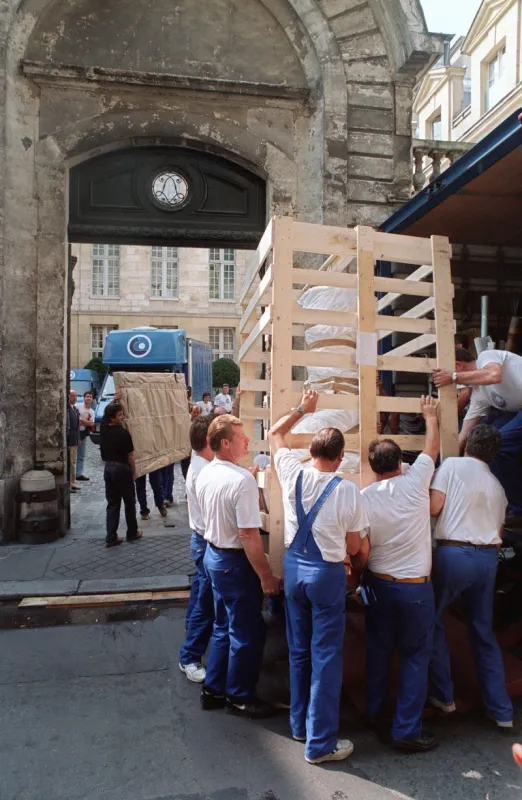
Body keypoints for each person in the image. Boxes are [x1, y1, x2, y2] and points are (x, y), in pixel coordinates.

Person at [268, 389, 369, 765]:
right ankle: (320, 743)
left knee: (299, 650)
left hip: (294, 568)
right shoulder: (348, 491)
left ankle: (299, 726)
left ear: (310, 451)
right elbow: (355, 546)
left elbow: (275, 434)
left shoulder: (292, 472)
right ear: (340, 458)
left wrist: (302, 408)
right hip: (326, 574)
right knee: (326, 656)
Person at [361, 396, 440, 753]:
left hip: (378, 585)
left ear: (372, 467)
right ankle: (406, 730)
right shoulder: (415, 483)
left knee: (378, 651)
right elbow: (431, 449)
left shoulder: (363, 497)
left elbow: (360, 545)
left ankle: (376, 713)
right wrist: (430, 416)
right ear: (399, 464)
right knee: (414, 656)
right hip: (414, 591)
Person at [429, 424, 514, 730]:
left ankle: (444, 697)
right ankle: (501, 711)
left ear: (467, 445)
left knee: (432, 619)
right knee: (483, 631)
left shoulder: (451, 465)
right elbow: (499, 534)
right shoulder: (498, 487)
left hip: (455, 554)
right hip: (487, 559)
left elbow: (433, 507)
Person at [197, 414, 281, 719]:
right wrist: (266, 576)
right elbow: (248, 535)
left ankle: (213, 689)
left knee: (224, 625)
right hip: (234, 562)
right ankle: (240, 696)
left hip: (214, 556)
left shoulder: (208, 472)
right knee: (247, 631)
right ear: (225, 443)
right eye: (241, 436)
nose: (247, 440)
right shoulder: (241, 480)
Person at [434, 347, 522, 522]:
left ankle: (517, 509)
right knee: (481, 442)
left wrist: (453, 377)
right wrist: (444, 468)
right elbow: (464, 436)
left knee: (497, 444)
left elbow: (494, 375)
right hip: (516, 412)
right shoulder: (479, 395)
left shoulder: (486, 357)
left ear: (458, 365)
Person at [179, 417, 215, 683]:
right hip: (206, 541)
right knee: (206, 601)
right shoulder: (205, 472)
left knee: (200, 590)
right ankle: (189, 656)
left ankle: (190, 628)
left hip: (200, 540)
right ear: (208, 441)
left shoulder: (201, 464)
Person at [99, 402, 143, 548]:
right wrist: (134, 471)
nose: (122, 417)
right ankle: (132, 532)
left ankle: (111, 536)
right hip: (122, 469)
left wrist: (114, 400)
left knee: (112, 503)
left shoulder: (104, 430)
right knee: (129, 502)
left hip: (108, 469)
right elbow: (130, 456)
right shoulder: (123, 433)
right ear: (112, 418)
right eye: (119, 415)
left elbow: (105, 417)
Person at [75, 391, 95, 481]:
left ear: (92, 399)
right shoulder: (77, 406)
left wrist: (82, 420)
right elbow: (75, 419)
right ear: (84, 397)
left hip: (83, 433)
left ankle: (78, 474)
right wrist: (86, 422)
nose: (88, 398)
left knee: (81, 455)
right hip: (75, 432)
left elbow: (91, 424)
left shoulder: (92, 411)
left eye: (90, 397)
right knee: (71, 454)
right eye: (87, 396)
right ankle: (70, 474)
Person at [66, 390, 81, 493]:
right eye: (72, 396)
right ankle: (70, 482)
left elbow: (78, 426)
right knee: (70, 462)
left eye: (76, 396)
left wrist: (78, 439)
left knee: (73, 461)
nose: (75, 398)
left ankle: (73, 481)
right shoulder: (67, 409)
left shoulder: (75, 409)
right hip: (70, 438)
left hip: (75, 438)